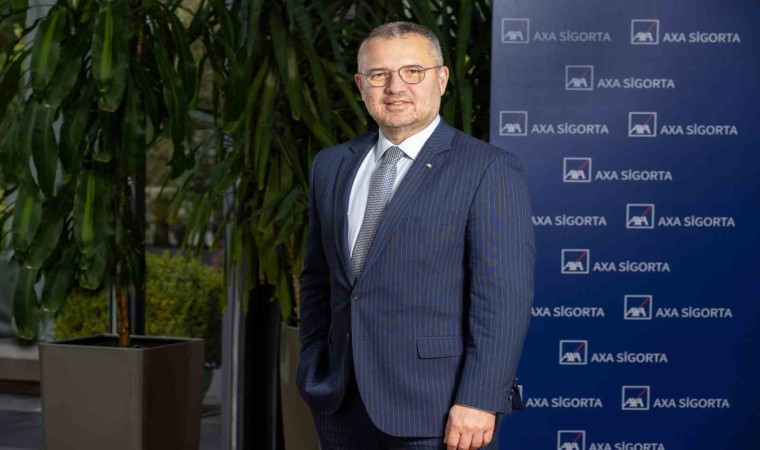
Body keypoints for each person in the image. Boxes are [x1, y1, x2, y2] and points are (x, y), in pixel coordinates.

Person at [297, 21, 534, 450]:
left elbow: (503, 299)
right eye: (379, 75)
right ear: (361, 85)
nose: (395, 87)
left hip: (439, 410)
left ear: (441, 79)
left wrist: (480, 399)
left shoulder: (488, 168)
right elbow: (318, 279)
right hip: (340, 404)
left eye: (412, 71)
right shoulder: (330, 166)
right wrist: (313, 362)